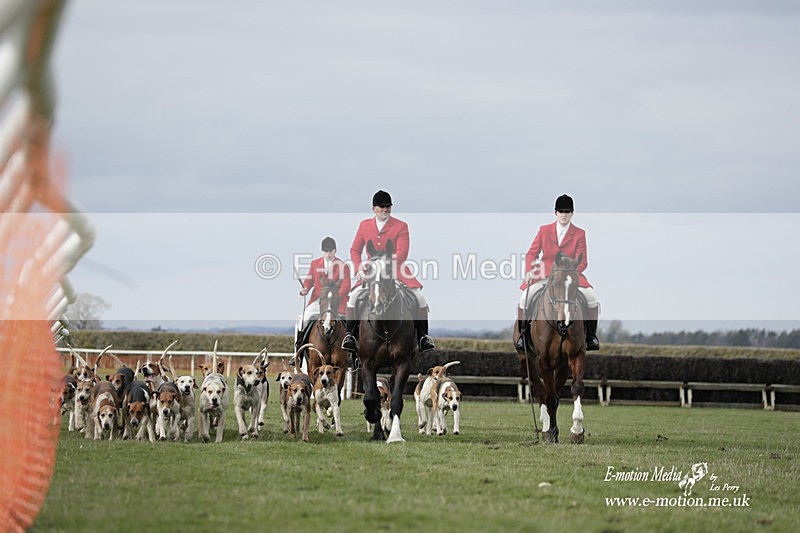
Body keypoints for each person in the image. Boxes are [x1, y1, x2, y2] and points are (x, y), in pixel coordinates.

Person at [341, 190, 435, 354]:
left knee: (420, 298)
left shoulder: (401, 226)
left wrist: (386, 264)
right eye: (381, 207)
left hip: (395, 269)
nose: (385, 210)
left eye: (388, 207)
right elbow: (355, 250)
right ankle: (351, 336)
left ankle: (423, 337)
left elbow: (402, 253)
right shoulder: (364, 225)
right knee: (354, 297)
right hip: (371, 271)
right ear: (373, 208)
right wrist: (359, 268)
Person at [516, 194, 600, 351]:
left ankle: (591, 337)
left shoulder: (580, 233)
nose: (564, 215)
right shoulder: (544, 230)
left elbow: (583, 261)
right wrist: (528, 271)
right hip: (545, 274)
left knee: (592, 299)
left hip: (570, 276)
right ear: (555, 213)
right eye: (561, 212)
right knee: (524, 299)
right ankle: (524, 335)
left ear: (572, 214)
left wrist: (571, 273)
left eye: (567, 212)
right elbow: (531, 254)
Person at [295, 237, 351, 353]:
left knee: (347, 321)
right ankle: (300, 348)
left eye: (331, 251)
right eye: (326, 251)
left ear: (335, 251)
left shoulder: (343, 266)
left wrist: (334, 298)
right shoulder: (315, 264)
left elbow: (346, 285)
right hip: (317, 301)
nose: (328, 253)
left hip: (336, 302)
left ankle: (350, 348)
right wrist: (305, 289)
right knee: (306, 318)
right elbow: (309, 281)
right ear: (322, 251)